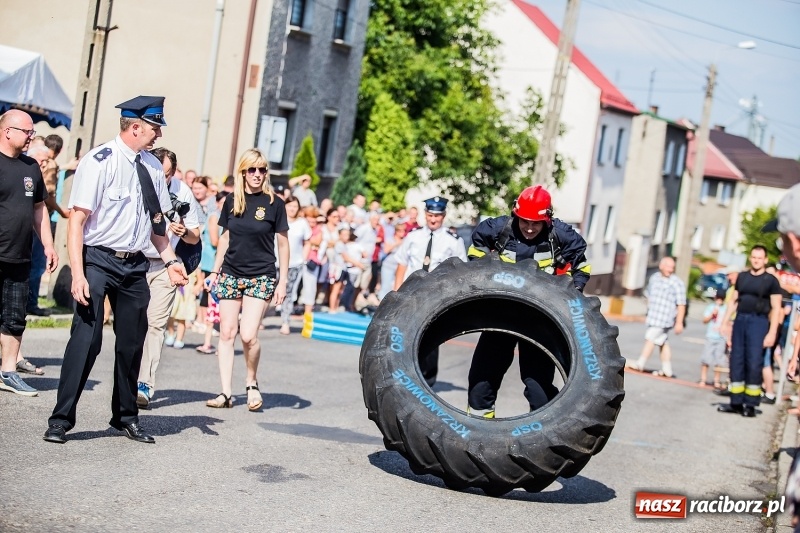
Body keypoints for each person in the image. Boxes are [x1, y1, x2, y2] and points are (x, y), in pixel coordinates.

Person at [44, 96, 189, 445]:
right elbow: (77, 222)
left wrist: (171, 262)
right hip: (98, 260)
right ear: (135, 127)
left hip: (135, 264)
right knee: (87, 340)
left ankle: (125, 417)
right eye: (154, 128)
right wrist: (78, 274)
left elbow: (157, 226)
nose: (158, 134)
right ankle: (61, 420)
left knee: (132, 343)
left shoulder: (152, 167)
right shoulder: (100, 161)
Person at [465, 185, 591, 416]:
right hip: (501, 316)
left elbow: (581, 267)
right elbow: (476, 251)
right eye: (524, 221)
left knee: (538, 387)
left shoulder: (561, 235)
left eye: (536, 223)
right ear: (516, 214)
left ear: (547, 219)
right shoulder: (498, 228)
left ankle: (546, 427)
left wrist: (572, 291)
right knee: (481, 381)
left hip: (540, 320)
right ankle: (478, 426)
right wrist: (483, 273)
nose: (530, 228)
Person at [205, 149, 288, 411]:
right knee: (226, 333)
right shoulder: (232, 200)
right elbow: (225, 238)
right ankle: (225, 392)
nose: (257, 174)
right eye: (252, 169)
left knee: (249, 335)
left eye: (262, 169)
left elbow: (283, 245)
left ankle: (251, 382)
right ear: (242, 172)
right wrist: (214, 272)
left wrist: (283, 281)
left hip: (261, 275)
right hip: (231, 272)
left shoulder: (274, 203)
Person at [136, 147, 200, 408]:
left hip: (166, 265)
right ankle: (127, 377)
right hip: (135, 262)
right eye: (160, 174)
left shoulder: (182, 192)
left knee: (155, 325)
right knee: (131, 324)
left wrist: (183, 232)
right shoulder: (138, 180)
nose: (164, 179)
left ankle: (144, 384)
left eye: (168, 174)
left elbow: (195, 236)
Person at [0, 110, 58, 397]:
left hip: (20, 256)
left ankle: (8, 373)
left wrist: (48, 244)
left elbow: (39, 209)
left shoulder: (31, 167)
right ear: (7, 131)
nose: (31, 137)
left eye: (32, 132)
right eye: (27, 131)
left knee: (15, 317)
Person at [393, 196, 467, 385]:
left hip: (436, 295)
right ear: (425, 214)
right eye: (430, 215)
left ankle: (427, 381)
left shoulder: (453, 241)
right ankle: (402, 375)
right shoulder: (413, 236)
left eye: (437, 216)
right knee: (403, 334)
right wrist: (396, 293)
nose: (433, 219)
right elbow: (402, 264)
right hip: (411, 292)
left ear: (444, 215)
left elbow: (460, 273)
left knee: (430, 337)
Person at [718, 245, 782, 417]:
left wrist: (772, 332)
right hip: (740, 320)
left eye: (759, 258)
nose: (756, 260)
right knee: (736, 360)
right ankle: (736, 402)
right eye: (753, 257)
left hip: (758, 321)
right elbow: (734, 301)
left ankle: (751, 404)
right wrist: (724, 322)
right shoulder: (742, 277)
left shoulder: (771, 281)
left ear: (765, 260)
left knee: (754, 362)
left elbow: (776, 308)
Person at [626, 256, 686, 378]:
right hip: (653, 316)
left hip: (664, 319)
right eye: (668, 267)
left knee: (650, 338)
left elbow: (681, 304)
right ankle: (667, 369)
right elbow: (649, 295)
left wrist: (679, 322)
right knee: (663, 342)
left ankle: (640, 363)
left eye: (672, 267)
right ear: (661, 266)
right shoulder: (654, 278)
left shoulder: (677, 283)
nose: (670, 269)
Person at [278, 195, 310, 335]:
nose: (292, 209)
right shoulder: (278, 219)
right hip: (275, 262)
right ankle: (259, 319)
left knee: (288, 293)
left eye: (295, 206)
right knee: (268, 291)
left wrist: (303, 258)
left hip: (294, 263)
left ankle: (285, 322)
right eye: (289, 205)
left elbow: (307, 241)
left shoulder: (302, 223)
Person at [699, 289, 728, 391]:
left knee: (719, 360)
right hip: (711, 336)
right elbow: (704, 320)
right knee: (706, 358)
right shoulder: (711, 307)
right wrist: (712, 314)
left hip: (721, 337)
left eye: (721, 299)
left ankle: (716, 380)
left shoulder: (726, 308)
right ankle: (703, 378)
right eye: (718, 298)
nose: (719, 300)